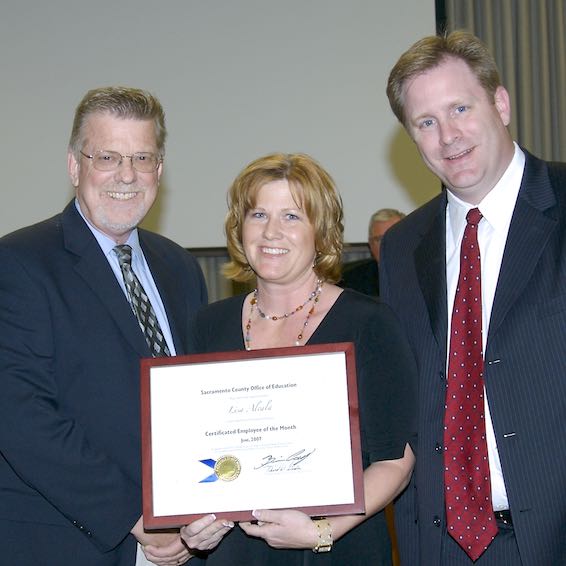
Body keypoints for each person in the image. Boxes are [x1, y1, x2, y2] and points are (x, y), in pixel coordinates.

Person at [0, 86, 208, 565]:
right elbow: (21, 416)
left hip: (185, 541)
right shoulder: (18, 263)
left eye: (142, 157)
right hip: (70, 543)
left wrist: (203, 511)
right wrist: (135, 515)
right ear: (75, 165)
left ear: (159, 169)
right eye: (108, 157)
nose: (127, 175)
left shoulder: (178, 266)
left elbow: (198, 398)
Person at [381, 30, 566, 565]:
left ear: (501, 103)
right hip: (440, 548)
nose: (449, 136)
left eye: (460, 107)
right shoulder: (401, 247)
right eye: (426, 122)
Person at [178, 152, 417, 565]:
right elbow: (191, 454)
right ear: (239, 227)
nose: (272, 231)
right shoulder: (208, 325)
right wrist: (191, 524)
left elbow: (396, 460)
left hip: (336, 548)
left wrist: (321, 531)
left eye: (292, 216)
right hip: (234, 554)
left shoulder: (369, 323)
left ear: (319, 231)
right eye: (257, 214)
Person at [340, 208, 405, 296]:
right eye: (379, 239)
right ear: (370, 243)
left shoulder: (424, 274)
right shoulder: (350, 280)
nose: (386, 245)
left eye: (393, 238)